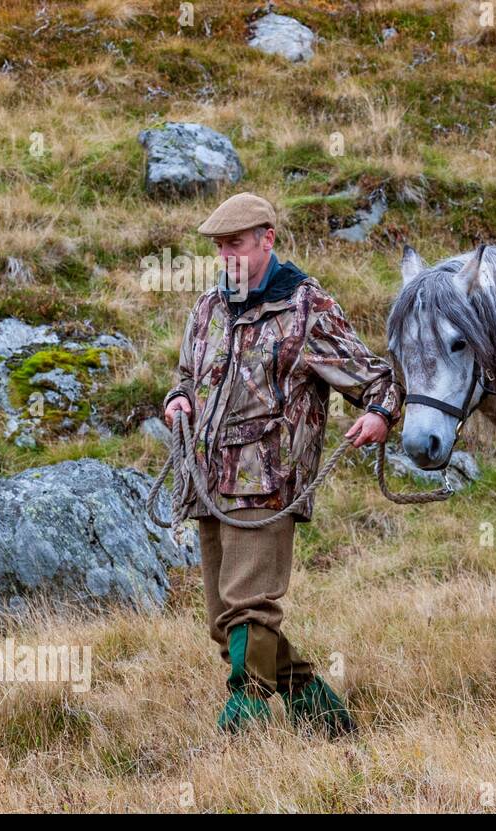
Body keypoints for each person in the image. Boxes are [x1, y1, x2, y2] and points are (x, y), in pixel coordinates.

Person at [162, 192, 402, 734]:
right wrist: (178, 398)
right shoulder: (207, 307)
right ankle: (315, 707)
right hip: (205, 485)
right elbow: (186, 375)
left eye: (236, 245)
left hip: (268, 484)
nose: (226, 257)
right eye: (219, 247)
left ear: (268, 239)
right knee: (226, 624)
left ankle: (243, 719)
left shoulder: (306, 308)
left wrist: (380, 414)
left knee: (251, 609)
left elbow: (377, 377)